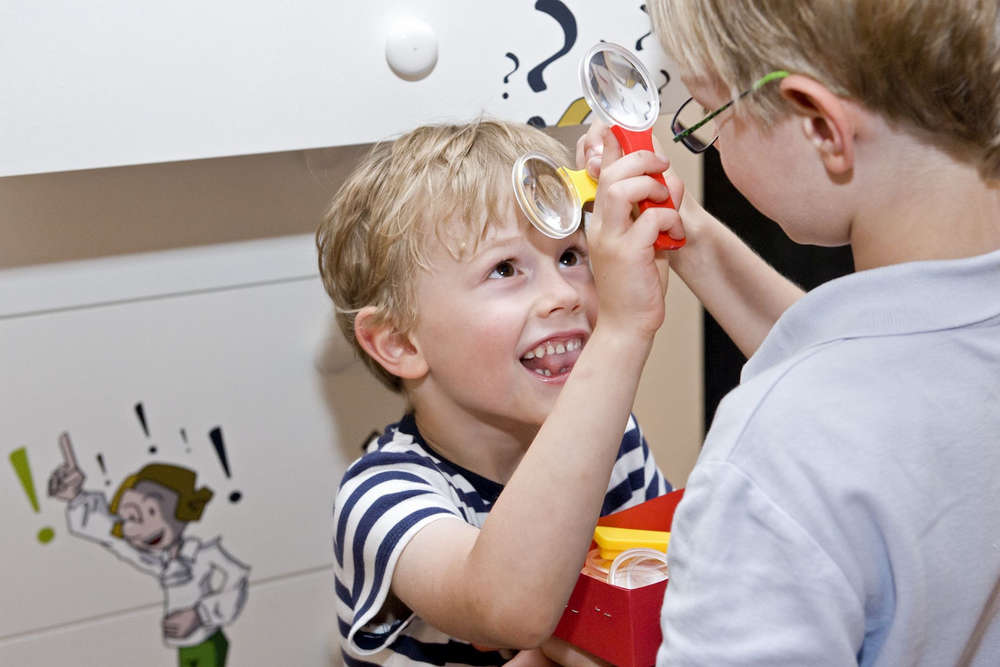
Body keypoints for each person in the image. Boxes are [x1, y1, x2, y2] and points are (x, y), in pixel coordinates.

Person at [581, 1, 1000, 664]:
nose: (709, 146)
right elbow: (876, 367)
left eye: (710, 118)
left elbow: (830, 408)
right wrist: (687, 232)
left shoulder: (775, 458)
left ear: (819, 127)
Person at [316, 118, 683, 665]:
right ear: (398, 342)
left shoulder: (616, 440)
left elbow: (667, 596)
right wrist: (623, 332)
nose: (562, 294)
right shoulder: (380, 497)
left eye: (570, 256)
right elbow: (507, 608)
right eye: (505, 268)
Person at [49, 452, 250, 667]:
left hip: (207, 643)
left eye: (150, 512)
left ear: (181, 511)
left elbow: (238, 577)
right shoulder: (157, 560)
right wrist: (76, 497)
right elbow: (110, 536)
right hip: (185, 646)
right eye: (128, 518)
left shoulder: (202, 554)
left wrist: (200, 614)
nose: (134, 529)